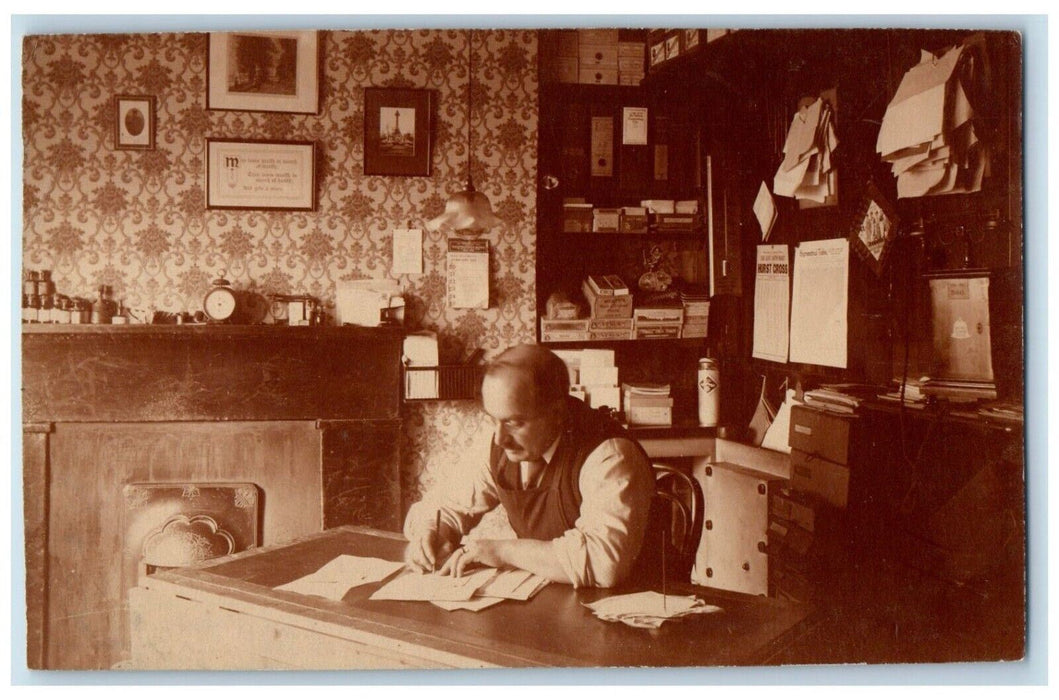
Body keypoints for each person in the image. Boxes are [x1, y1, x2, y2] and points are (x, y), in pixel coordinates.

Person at [403, 343, 655, 588]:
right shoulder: (499, 443)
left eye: (514, 423)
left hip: (635, 611)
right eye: (494, 420)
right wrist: (433, 532)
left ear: (556, 413)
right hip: (558, 600)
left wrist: (501, 551)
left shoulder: (608, 455)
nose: (500, 439)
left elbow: (604, 564)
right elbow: (446, 506)